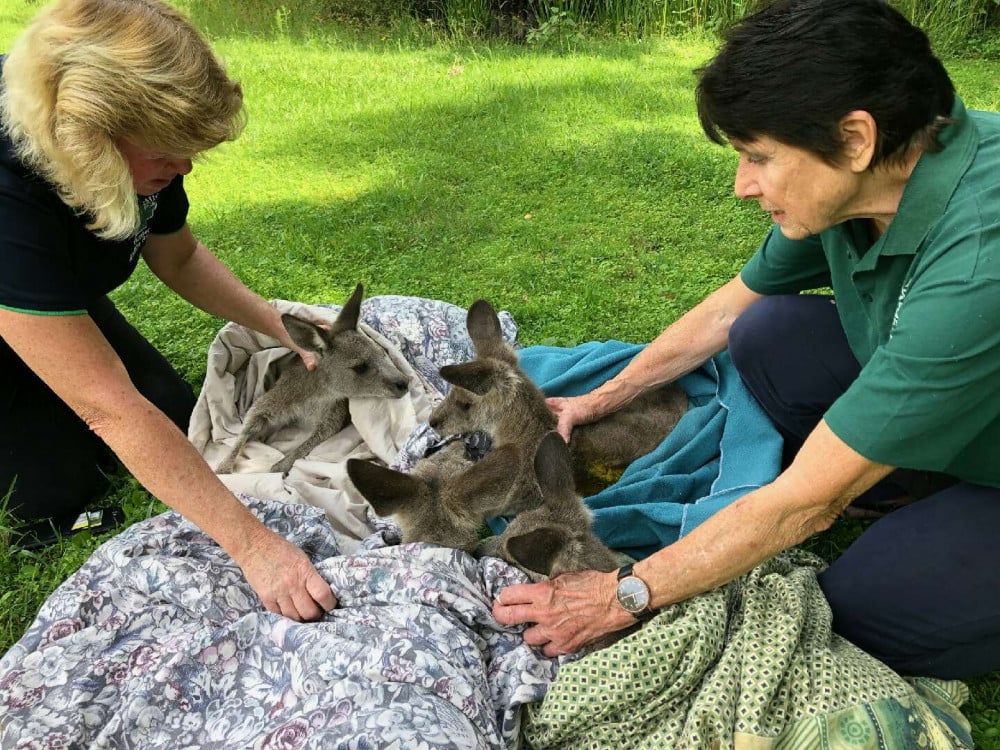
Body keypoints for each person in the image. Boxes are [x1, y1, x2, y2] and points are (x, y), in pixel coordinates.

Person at [493, 0, 1000, 680]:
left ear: (855, 139)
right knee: (769, 331)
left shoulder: (978, 261)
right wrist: (597, 399)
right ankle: (914, 483)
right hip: (966, 400)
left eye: (759, 155)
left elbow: (808, 502)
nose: (742, 186)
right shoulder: (872, 184)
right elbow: (727, 312)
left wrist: (625, 593)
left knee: (855, 612)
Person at [0, 0, 336, 622]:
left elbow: (178, 259)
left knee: (174, 416)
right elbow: (108, 409)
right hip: (13, 276)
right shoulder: (12, 191)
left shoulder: (147, 144)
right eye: (167, 156)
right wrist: (256, 548)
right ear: (85, 138)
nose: (183, 169)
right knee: (50, 501)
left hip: (44, 284)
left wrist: (278, 325)